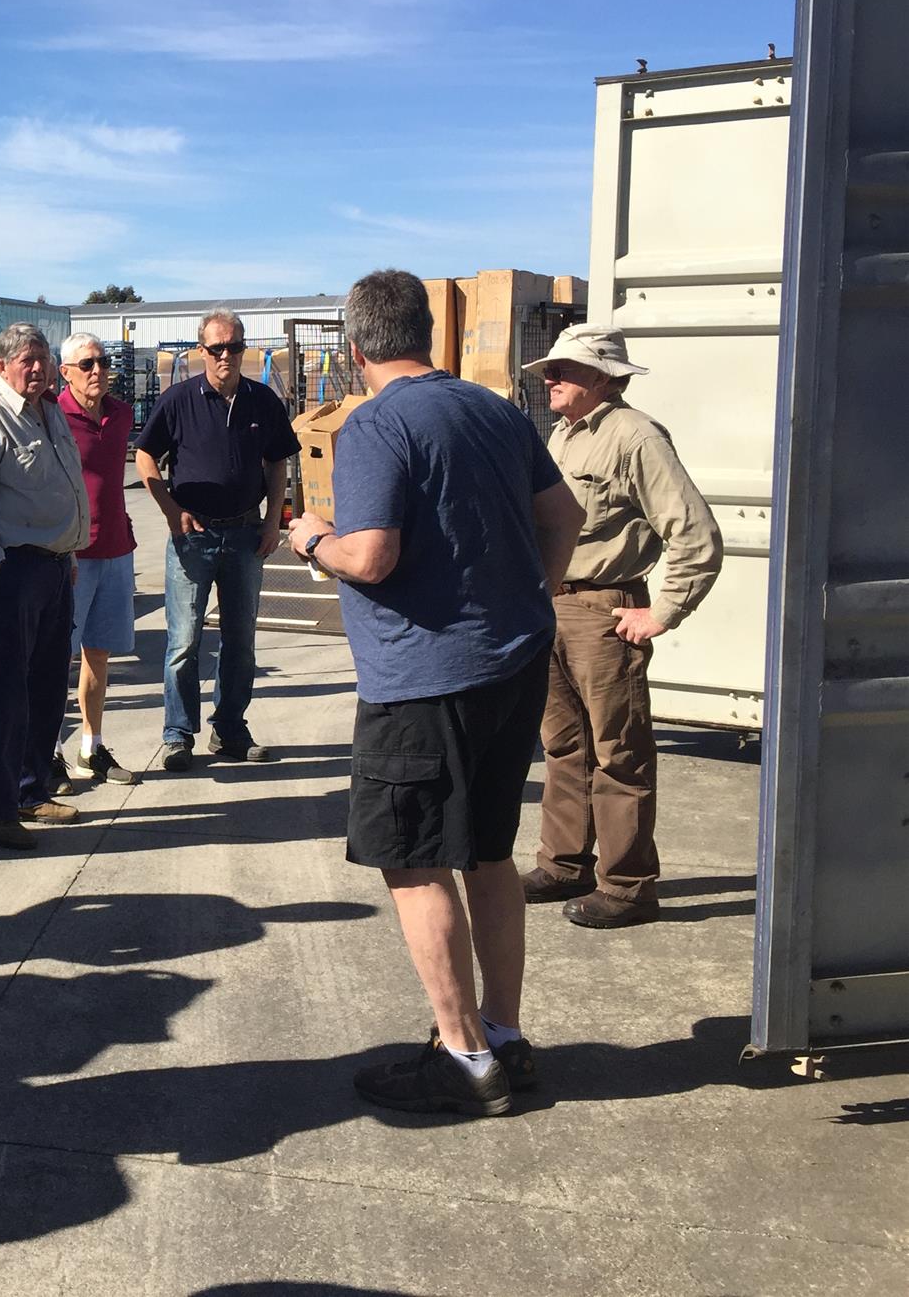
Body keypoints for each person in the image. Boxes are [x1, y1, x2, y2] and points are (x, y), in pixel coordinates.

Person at [288, 268, 583, 1118]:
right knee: (488, 852)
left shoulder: (376, 423)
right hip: (510, 665)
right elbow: (564, 516)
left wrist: (313, 539)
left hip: (423, 680)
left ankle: (464, 1057)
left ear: (354, 349)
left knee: (414, 861)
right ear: (426, 334)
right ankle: (505, 1034)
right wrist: (530, 595)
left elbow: (370, 556)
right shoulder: (495, 410)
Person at [521, 324, 723, 929]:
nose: (550, 378)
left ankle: (629, 888)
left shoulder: (635, 436)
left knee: (619, 754)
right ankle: (564, 864)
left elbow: (695, 534)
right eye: (550, 370)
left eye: (564, 369)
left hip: (602, 612)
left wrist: (661, 612)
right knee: (564, 747)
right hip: (554, 606)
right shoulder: (564, 434)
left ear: (604, 377)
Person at [135, 308, 299, 771]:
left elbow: (278, 462)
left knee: (240, 640)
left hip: (246, 535)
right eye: (216, 348)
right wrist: (171, 511)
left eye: (234, 347)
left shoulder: (262, 401)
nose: (225, 355)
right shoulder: (179, 400)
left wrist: (273, 522)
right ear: (201, 351)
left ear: (243, 349)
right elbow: (145, 455)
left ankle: (229, 730)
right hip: (193, 538)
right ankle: (177, 734)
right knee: (184, 642)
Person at [0, 323, 92, 850]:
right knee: (6, 694)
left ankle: (31, 790)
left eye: (43, 358)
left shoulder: (49, 411)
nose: (37, 367)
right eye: (27, 359)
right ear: (3, 365)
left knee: (47, 688)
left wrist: (67, 553)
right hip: (13, 572)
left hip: (53, 568)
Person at [56, 331, 139, 786]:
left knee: (99, 655)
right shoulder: (53, 415)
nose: (98, 371)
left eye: (103, 362)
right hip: (71, 554)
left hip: (115, 549)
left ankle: (92, 746)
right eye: (87, 364)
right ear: (66, 372)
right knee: (58, 658)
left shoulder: (121, 414)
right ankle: (49, 750)